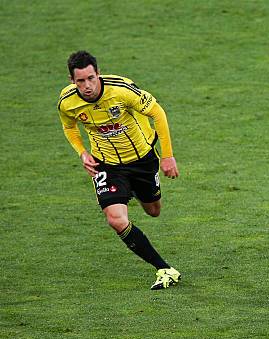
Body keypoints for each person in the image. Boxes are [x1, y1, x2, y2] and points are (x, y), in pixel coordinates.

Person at [57, 50, 181, 290]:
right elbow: (69, 126)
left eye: (91, 78)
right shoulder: (67, 101)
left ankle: (130, 190)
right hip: (106, 164)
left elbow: (158, 112)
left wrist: (167, 156)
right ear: (72, 81)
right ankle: (164, 268)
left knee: (153, 210)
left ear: (98, 74)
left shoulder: (121, 90)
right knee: (115, 219)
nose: (87, 86)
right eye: (80, 81)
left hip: (141, 160)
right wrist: (82, 152)